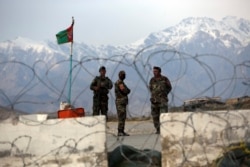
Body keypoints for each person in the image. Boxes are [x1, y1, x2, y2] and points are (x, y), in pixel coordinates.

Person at [149, 66, 172, 134]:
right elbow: (150, 88)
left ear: (159, 72)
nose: (154, 73)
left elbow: (169, 87)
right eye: (153, 71)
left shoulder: (164, 79)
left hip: (162, 101)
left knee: (164, 116)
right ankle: (158, 129)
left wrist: (165, 94)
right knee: (155, 116)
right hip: (154, 101)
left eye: (155, 71)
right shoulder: (152, 80)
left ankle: (164, 129)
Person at [114, 70, 130, 136]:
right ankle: (120, 131)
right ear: (120, 75)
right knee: (121, 116)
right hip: (120, 102)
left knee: (123, 116)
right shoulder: (120, 83)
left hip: (122, 102)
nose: (124, 76)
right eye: (123, 75)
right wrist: (128, 90)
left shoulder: (121, 82)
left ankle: (122, 130)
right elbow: (124, 90)